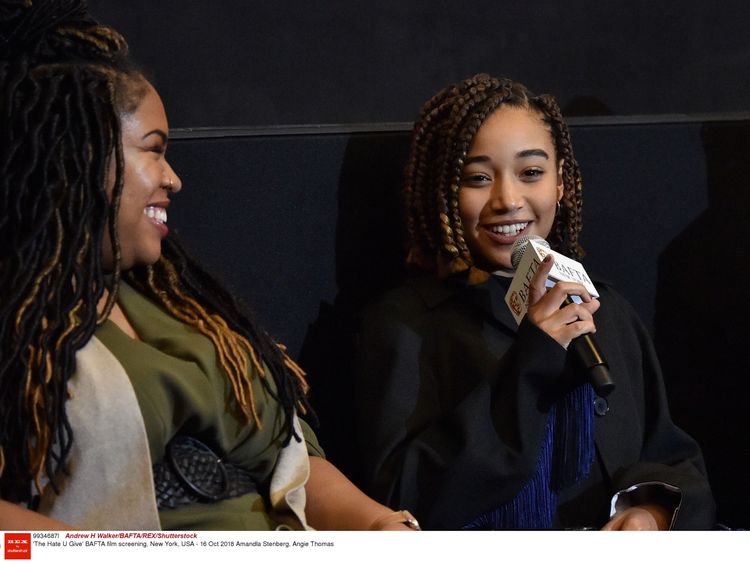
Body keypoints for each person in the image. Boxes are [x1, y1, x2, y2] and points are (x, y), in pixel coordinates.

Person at [0, 0, 417, 532]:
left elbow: (291, 462)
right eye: (153, 150)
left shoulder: (183, 304)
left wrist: (380, 525)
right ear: (75, 156)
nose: (173, 179)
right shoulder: (18, 327)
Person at [353, 73, 715, 530]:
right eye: (478, 178)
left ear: (560, 182)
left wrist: (651, 512)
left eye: (531, 173)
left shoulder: (606, 309)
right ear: (443, 192)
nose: (507, 199)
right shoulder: (404, 324)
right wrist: (531, 363)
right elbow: (404, 498)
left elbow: (672, 457)